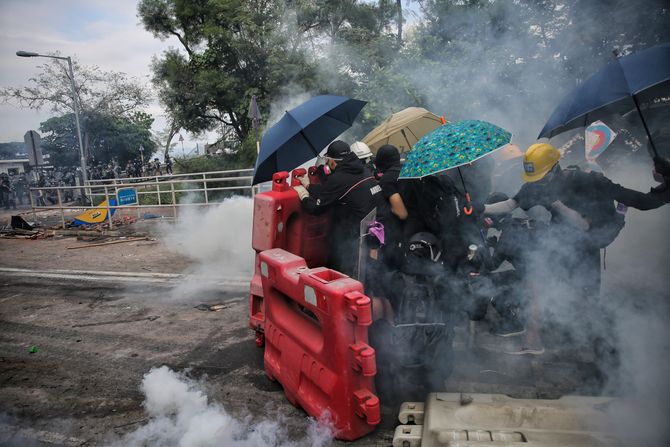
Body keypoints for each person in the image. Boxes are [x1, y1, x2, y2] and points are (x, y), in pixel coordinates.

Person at [484, 143, 670, 355]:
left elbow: (634, 204)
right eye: (535, 179)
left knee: (585, 299)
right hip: (557, 243)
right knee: (538, 284)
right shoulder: (537, 183)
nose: (538, 184)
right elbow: (510, 204)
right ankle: (533, 340)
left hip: (588, 244)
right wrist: (481, 209)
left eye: (542, 178)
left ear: (555, 168)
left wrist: (556, 204)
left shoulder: (590, 182)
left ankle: (605, 349)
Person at [293, 140, 385, 277]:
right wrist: (310, 185)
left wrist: (304, 195)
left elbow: (316, 208)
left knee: (340, 276)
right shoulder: (362, 170)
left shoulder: (339, 178)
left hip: (352, 237)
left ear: (332, 161)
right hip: (371, 232)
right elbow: (332, 190)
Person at [374, 144, 408, 269]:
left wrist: (391, 208)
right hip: (418, 228)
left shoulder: (387, 180)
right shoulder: (408, 170)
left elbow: (401, 212)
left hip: (400, 233)